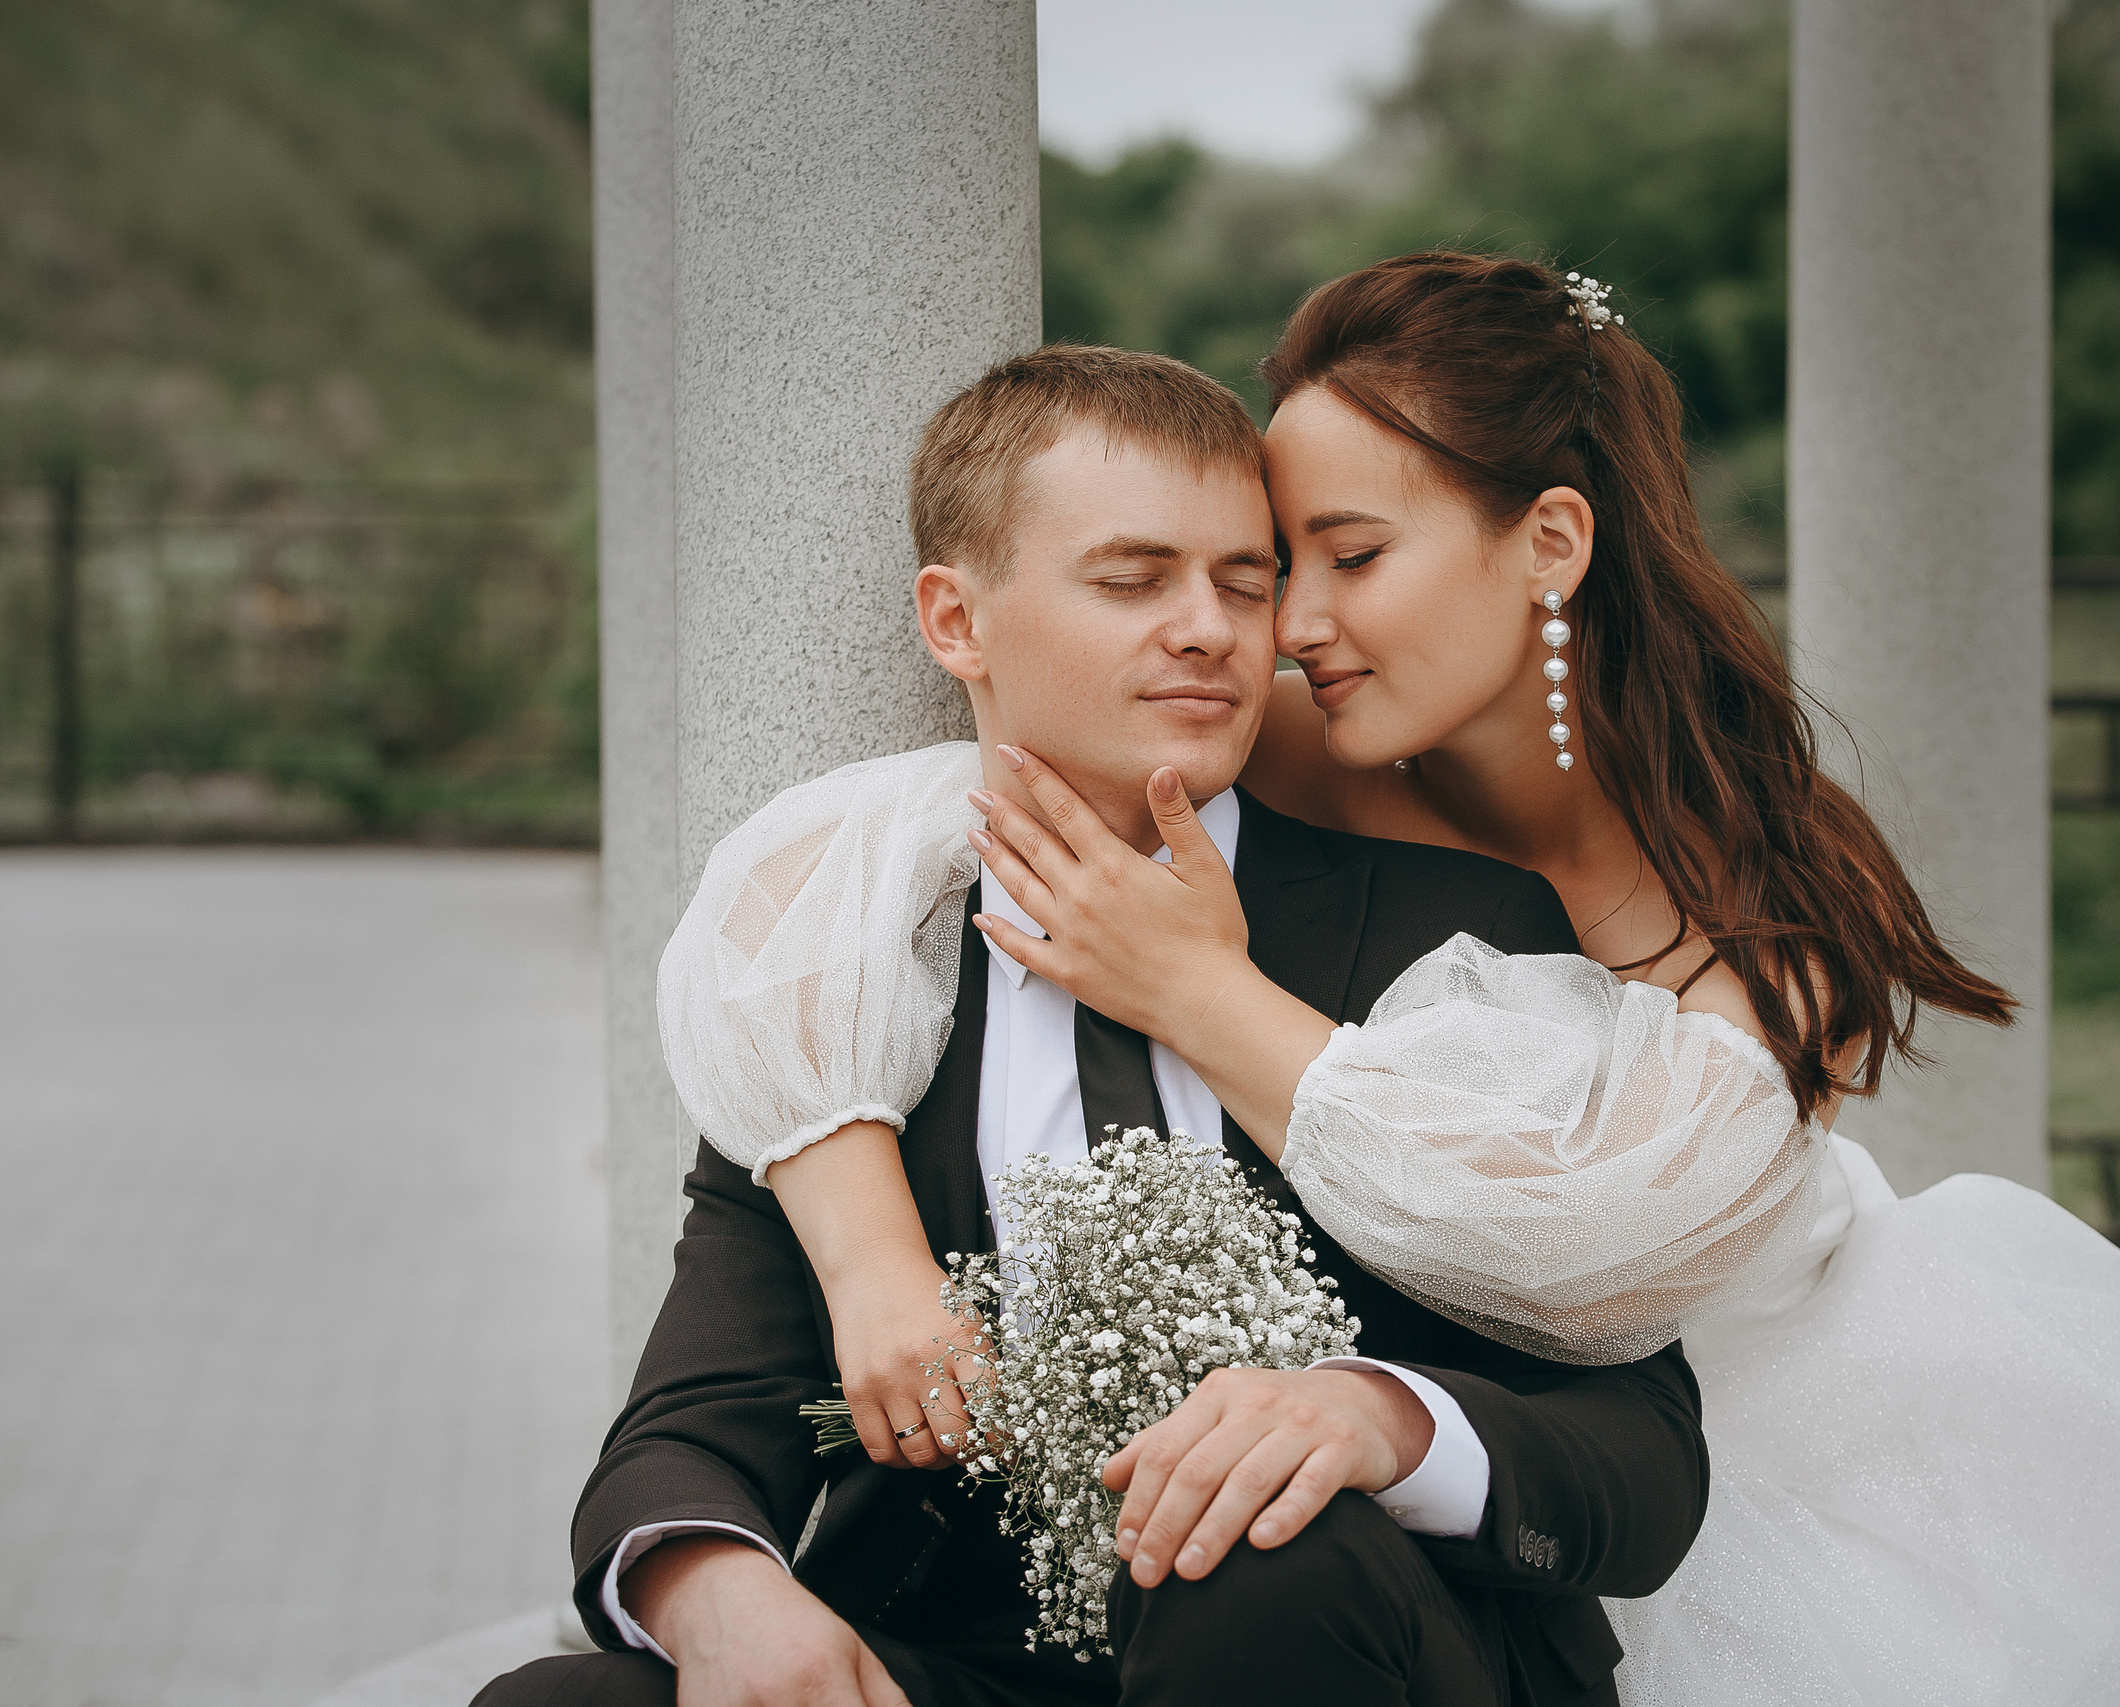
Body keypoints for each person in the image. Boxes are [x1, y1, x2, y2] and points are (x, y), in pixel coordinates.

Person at [716, 252, 2120, 1705]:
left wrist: (1208, 996)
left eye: (1346, 558)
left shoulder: (1764, 883)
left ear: (1552, 544)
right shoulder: (1291, 731)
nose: (1288, 627)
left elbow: (1594, 1253)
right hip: (1435, 1449)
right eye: (1286, 566)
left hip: (1765, 1413)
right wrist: (871, 1250)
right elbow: (877, 846)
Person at [475, 343, 1708, 1707]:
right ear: (956, 622)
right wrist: (721, 1597)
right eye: (1133, 579)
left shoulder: (1453, 940)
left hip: (1352, 1645)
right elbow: (692, 1427)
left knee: (1260, 1558)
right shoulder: (852, 970)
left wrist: (1379, 1418)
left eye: (1247, 583)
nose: (1212, 630)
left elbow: (1646, 1458)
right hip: (967, 1670)